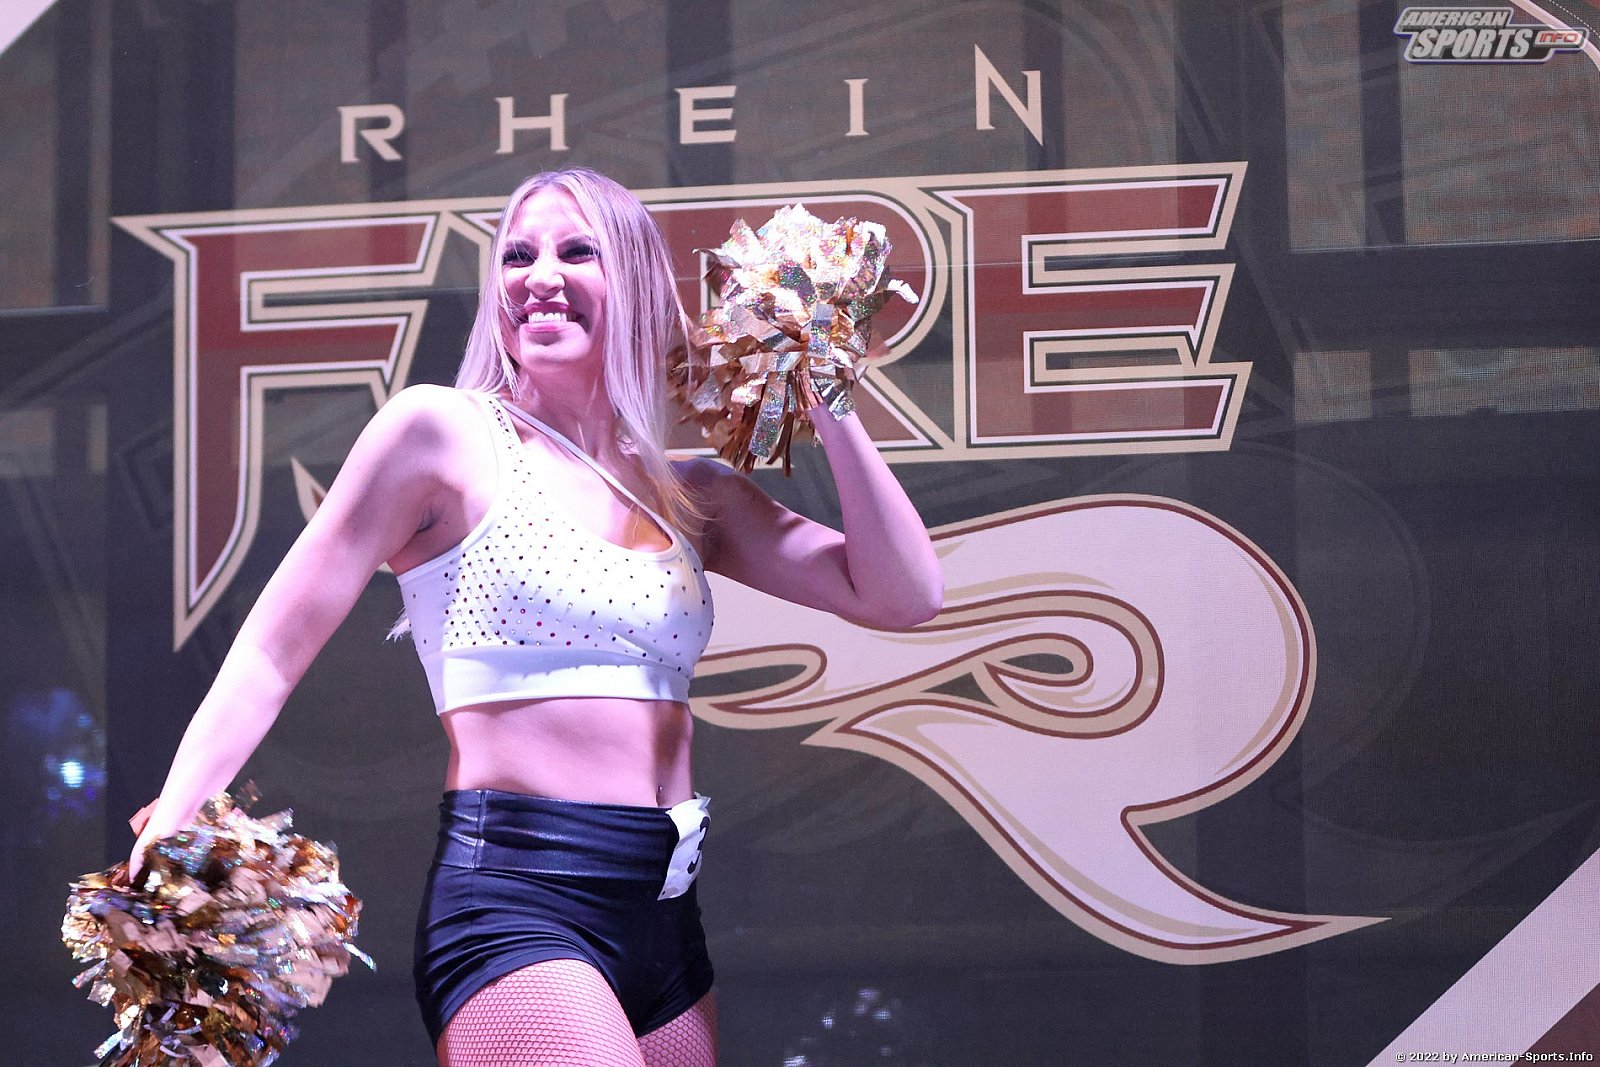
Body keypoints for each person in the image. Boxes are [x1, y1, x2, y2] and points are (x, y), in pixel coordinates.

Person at [127, 167, 944, 1067]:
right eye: (517, 256)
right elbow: (273, 649)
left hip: (666, 914)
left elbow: (904, 594)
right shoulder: (440, 435)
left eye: (576, 250)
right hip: (516, 900)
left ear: (637, 283)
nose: (539, 276)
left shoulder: (693, 493)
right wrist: (176, 814)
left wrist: (822, 383)